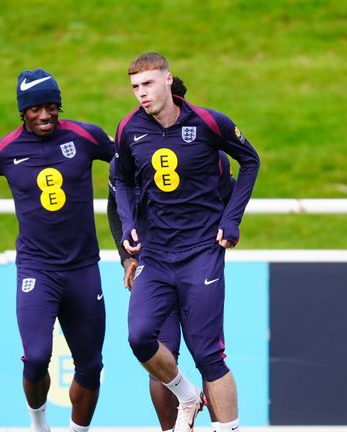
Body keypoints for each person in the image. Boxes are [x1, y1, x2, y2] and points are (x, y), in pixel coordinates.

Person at [114, 53, 260, 432]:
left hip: (200, 253)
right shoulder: (129, 129)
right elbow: (122, 181)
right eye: (134, 87)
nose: (141, 94)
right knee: (139, 337)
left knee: (210, 354)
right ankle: (187, 396)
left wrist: (231, 220)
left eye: (147, 84)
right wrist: (128, 227)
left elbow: (251, 161)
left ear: (167, 80)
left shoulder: (209, 122)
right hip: (156, 256)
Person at [0, 69, 115, 432]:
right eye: (35, 109)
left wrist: (131, 217)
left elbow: (128, 162)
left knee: (91, 366)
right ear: (22, 112)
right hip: (37, 270)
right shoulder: (3, 151)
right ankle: (39, 424)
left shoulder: (85, 136)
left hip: (82, 268)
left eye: (51, 107)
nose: (45, 115)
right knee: (36, 358)